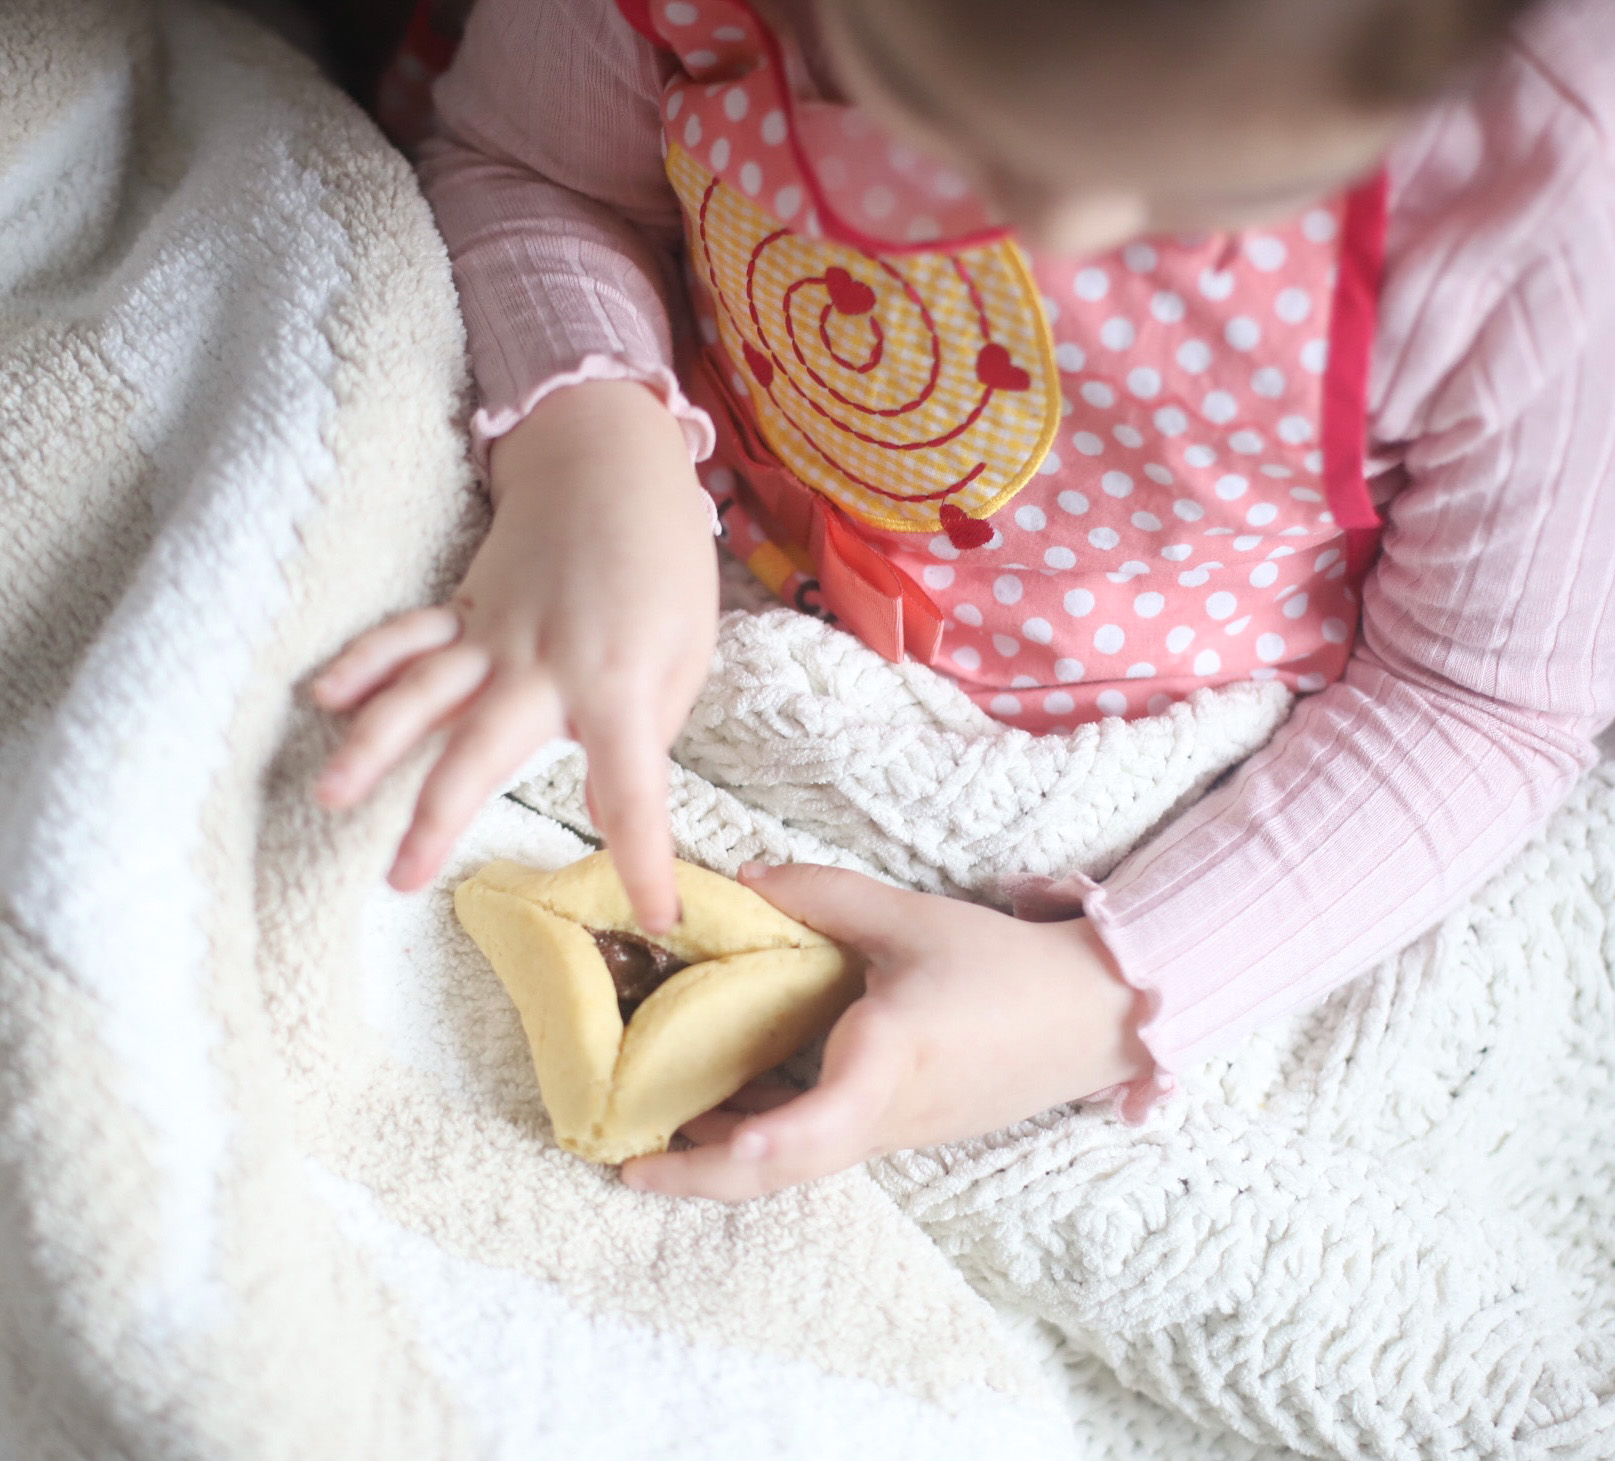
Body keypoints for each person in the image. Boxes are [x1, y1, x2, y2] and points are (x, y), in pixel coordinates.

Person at [311, 0, 1615, 1200]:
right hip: (696, 538)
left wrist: (1100, 995)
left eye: (1202, 199)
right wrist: (597, 451)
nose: (1067, 231)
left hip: (1175, 798)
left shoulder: (1552, 207)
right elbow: (531, 174)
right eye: (931, 122)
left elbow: (1480, 701)